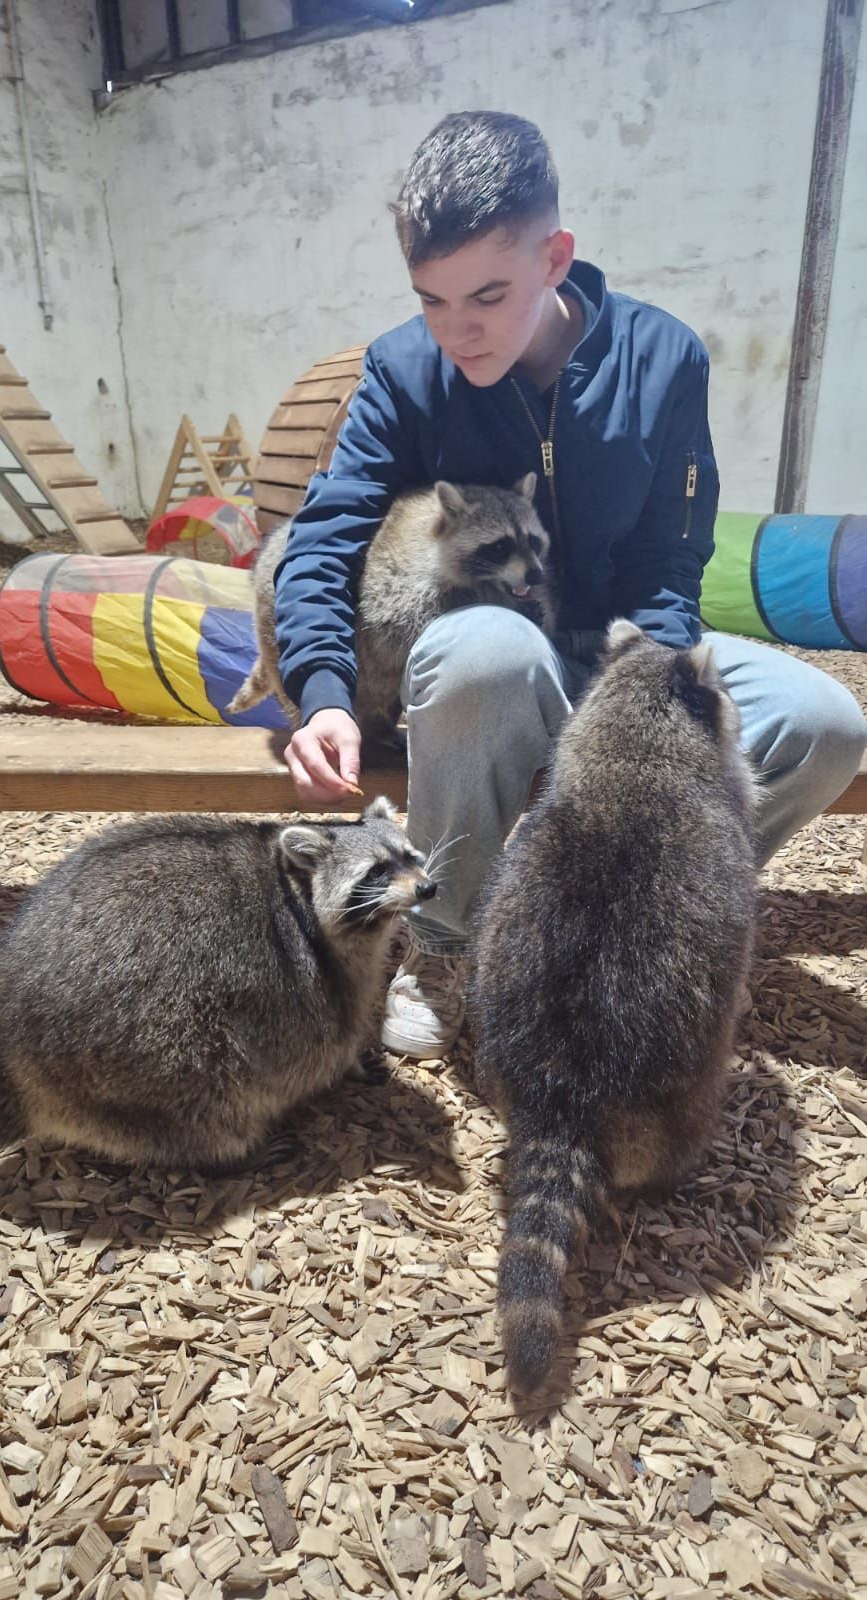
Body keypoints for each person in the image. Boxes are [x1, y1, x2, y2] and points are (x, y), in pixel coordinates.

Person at [272, 110, 867, 1060]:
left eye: (487, 295)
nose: (456, 331)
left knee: (824, 722)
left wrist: (652, 698)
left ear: (556, 256)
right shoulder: (400, 370)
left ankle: (631, 921)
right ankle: (436, 950)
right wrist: (323, 693)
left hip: (610, 651)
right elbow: (322, 538)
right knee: (484, 653)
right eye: (431, 299)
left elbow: (670, 562)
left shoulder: (663, 358)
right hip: (493, 657)